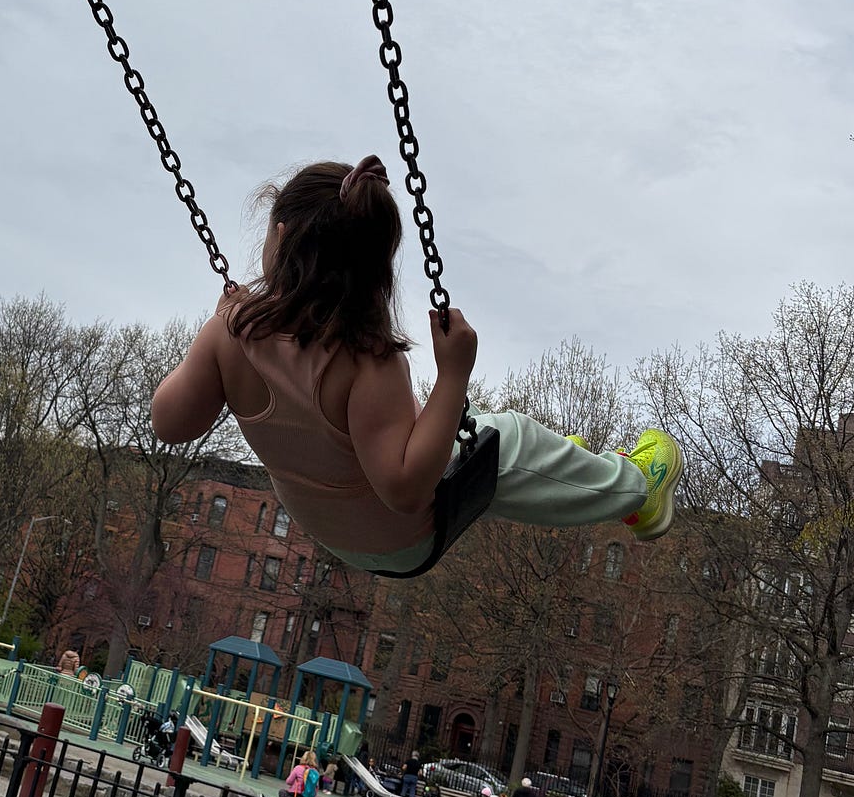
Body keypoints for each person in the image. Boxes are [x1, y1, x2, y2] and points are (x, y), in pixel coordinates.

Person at [149, 159, 683, 577]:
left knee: (493, 455)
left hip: (327, 533)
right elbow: (405, 490)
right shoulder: (366, 361)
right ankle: (638, 490)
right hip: (401, 542)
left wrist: (215, 330)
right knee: (506, 438)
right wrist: (453, 377)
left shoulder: (231, 331)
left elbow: (170, 424)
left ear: (282, 237)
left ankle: (571, 465)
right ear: (378, 267)